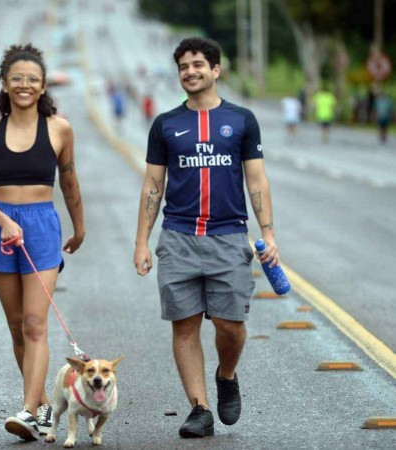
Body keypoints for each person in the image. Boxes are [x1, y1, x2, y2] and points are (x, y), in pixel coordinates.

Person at [134, 37, 281, 438]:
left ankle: (226, 374)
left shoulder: (243, 119)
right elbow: (152, 185)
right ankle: (199, 409)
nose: (190, 71)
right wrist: (142, 241)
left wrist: (267, 233)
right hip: (178, 237)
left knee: (231, 326)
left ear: (215, 70)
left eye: (198, 64)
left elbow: (257, 179)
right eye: (183, 66)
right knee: (184, 326)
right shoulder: (165, 124)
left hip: (229, 237)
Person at [0, 43, 85, 442]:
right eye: (16, 78)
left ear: (43, 85)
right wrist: (2, 220)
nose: (24, 85)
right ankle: (39, 405)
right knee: (18, 327)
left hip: (41, 227)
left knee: (37, 323)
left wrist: (79, 227)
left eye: (32, 79)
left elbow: (69, 181)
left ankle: (29, 410)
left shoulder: (59, 129)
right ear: (4, 83)